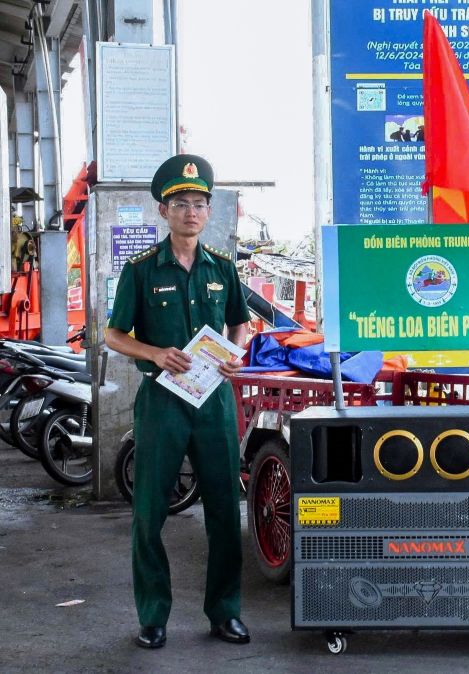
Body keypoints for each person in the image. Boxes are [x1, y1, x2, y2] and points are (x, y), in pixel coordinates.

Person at [104, 154, 252, 649]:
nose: (191, 211)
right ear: (163, 212)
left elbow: (240, 321)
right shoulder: (141, 270)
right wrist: (153, 353)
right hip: (162, 401)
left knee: (225, 512)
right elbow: (113, 334)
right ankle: (152, 616)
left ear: (208, 212)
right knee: (149, 511)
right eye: (180, 203)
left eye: (199, 203)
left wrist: (237, 352)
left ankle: (225, 612)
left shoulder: (223, 269)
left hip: (214, 402)